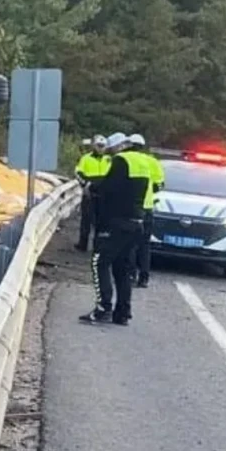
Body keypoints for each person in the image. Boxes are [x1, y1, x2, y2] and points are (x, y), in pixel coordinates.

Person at [80, 133, 148, 326]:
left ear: (117, 147)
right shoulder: (143, 162)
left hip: (117, 222)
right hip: (137, 221)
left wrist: (92, 187)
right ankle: (123, 313)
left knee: (99, 262)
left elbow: (109, 188)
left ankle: (103, 308)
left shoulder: (121, 161)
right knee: (123, 268)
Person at [126, 134, 163, 288]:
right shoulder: (152, 161)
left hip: (131, 208)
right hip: (148, 208)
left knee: (130, 244)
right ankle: (144, 278)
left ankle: (131, 275)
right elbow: (159, 185)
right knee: (145, 245)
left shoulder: (125, 158)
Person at [74, 135, 111, 252]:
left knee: (101, 221)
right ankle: (82, 244)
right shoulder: (86, 158)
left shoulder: (109, 159)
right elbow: (78, 172)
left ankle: (98, 246)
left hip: (103, 195)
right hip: (89, 193)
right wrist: (85, 184)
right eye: (99, 146)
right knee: (86, 219)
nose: (101, 149)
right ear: (94, 146)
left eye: (103, 146)